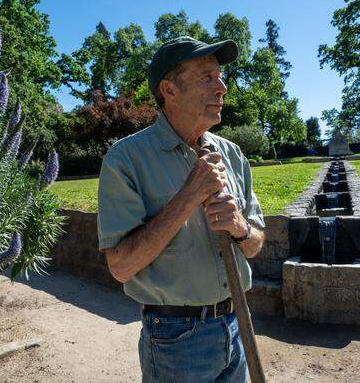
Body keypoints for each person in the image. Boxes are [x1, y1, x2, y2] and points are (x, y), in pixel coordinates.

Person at [97, 36, 266, 382]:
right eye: (207, 77)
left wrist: (240, 227)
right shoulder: (126, 159)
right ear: (169, 90)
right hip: (176, 339)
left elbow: (256, 244)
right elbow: (121, 265)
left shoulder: (233, 155)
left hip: (237, 324)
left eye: (221, 76)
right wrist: (189, 196)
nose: (222, 88)